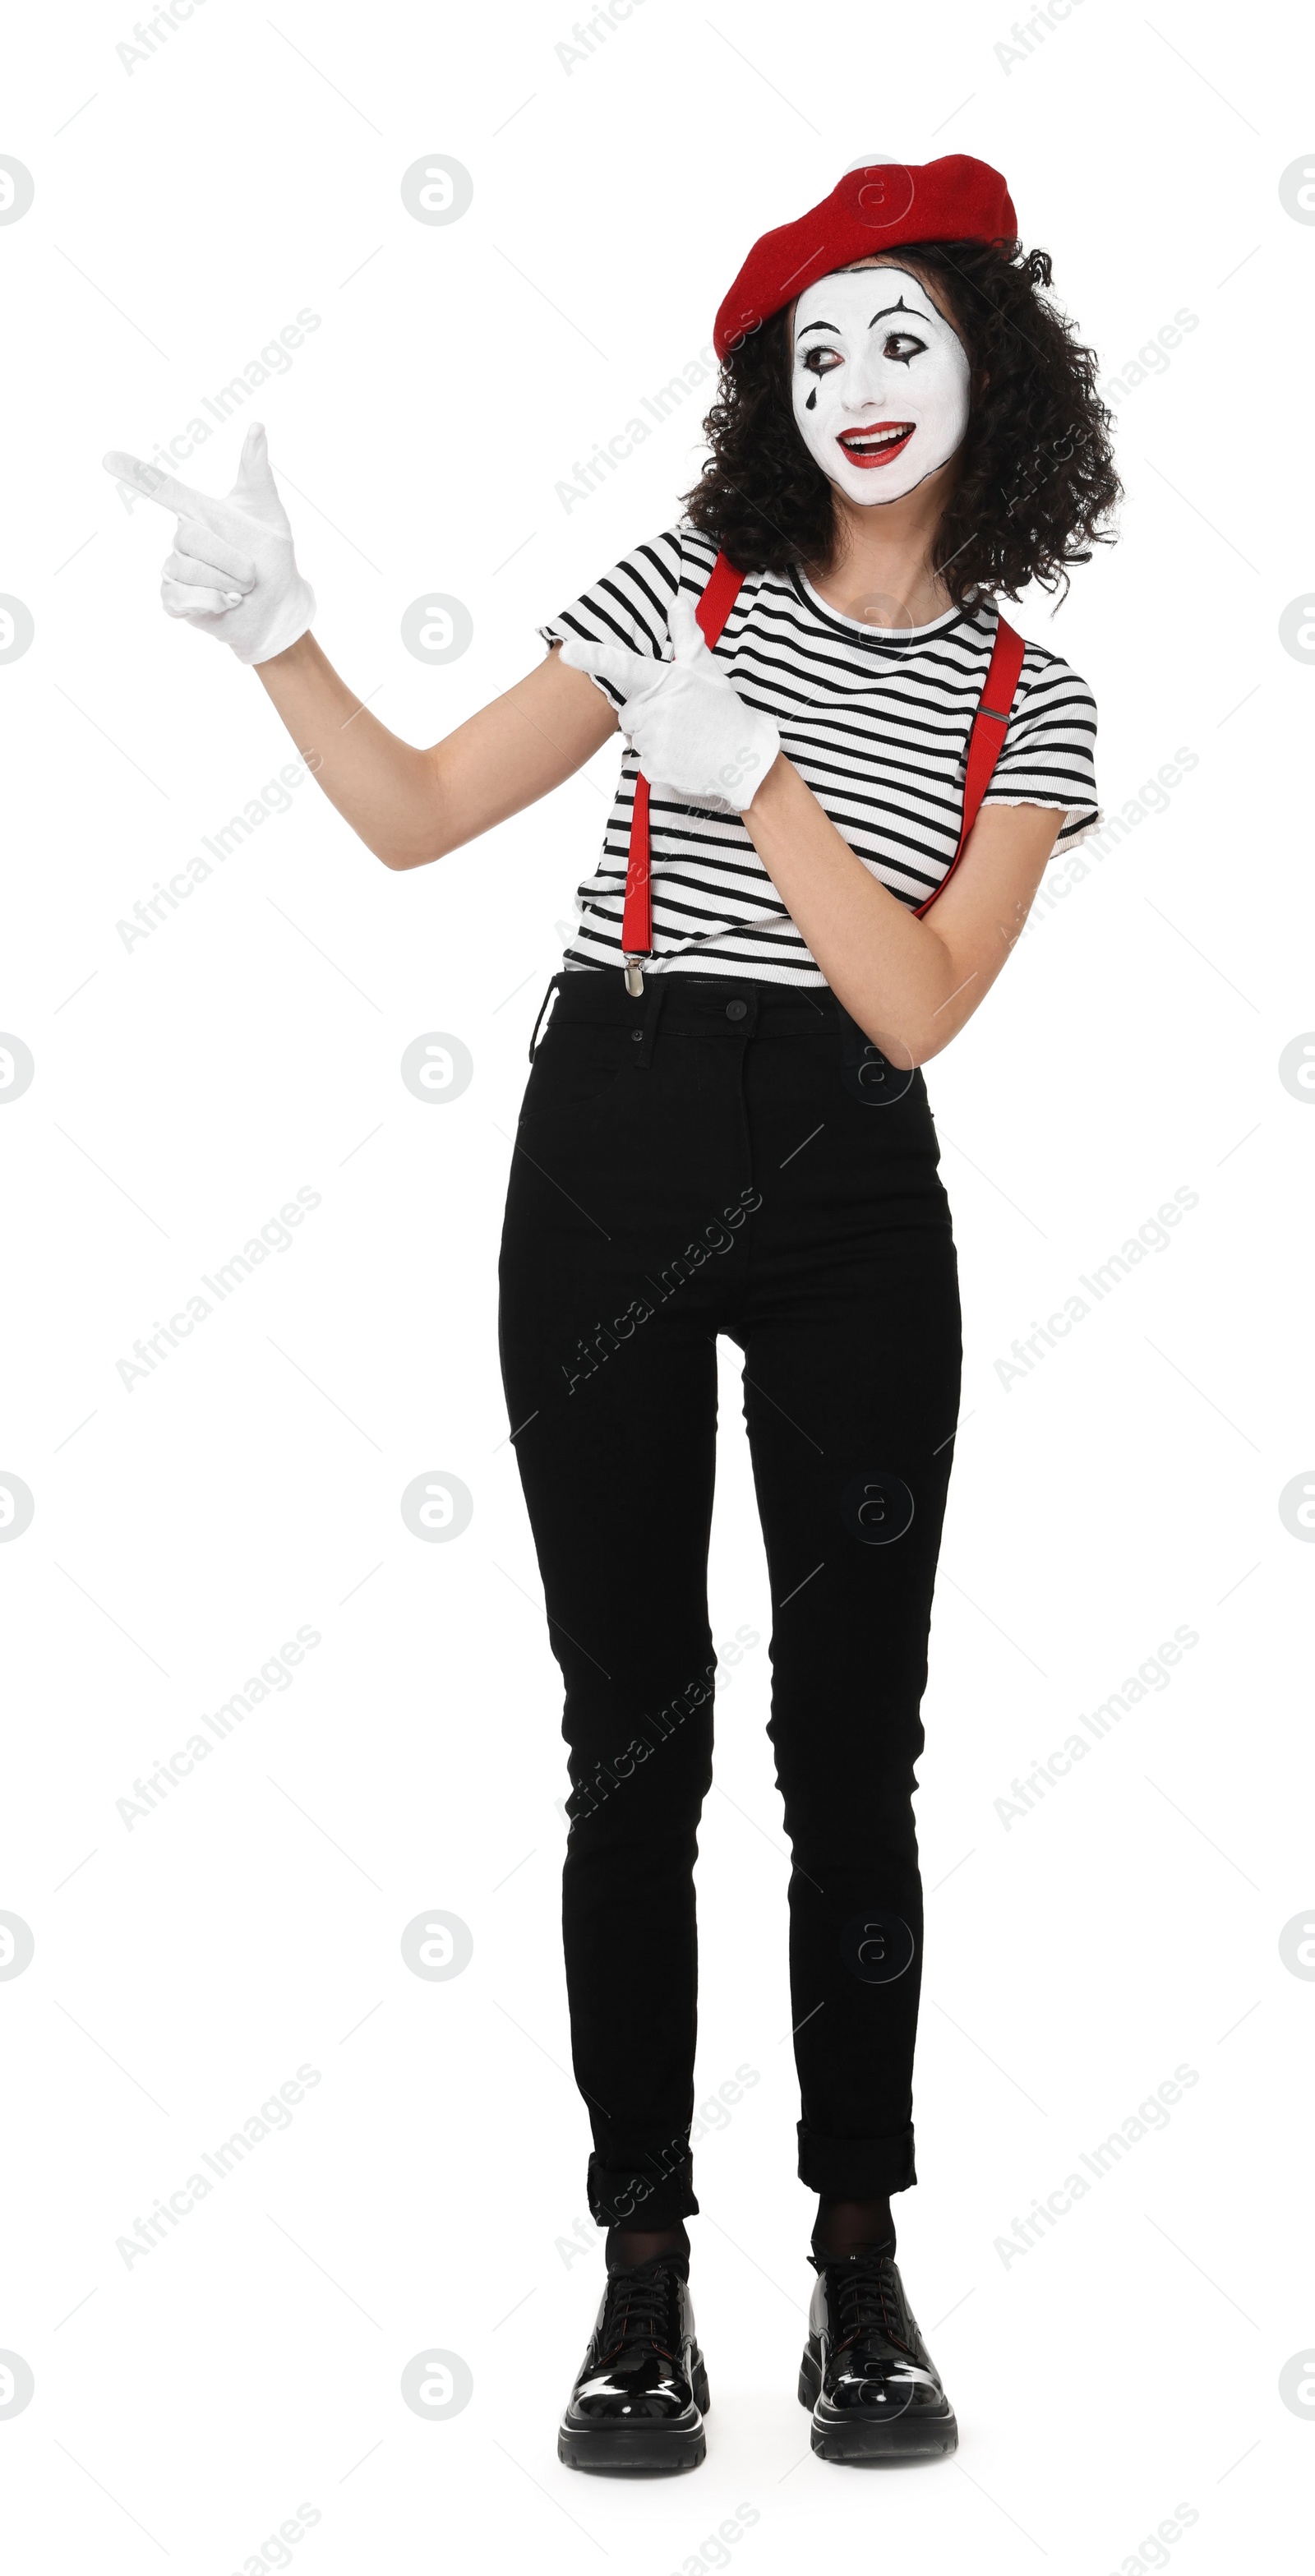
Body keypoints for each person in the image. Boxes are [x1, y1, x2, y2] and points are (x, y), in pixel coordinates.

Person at [104, 150, 1119, 2474]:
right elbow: (426, 811)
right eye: (818, 345)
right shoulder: (692, 587)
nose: (859, 381)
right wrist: (279, 638)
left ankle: (859, 2262)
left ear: (994, 365)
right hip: (618, 1135)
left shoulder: (1034, 708)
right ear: (776, 391)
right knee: (631, 1737)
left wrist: (753, 781)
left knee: (855, 1758)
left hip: (856, 1181)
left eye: (904, 333)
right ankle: (641, 2273)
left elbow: (925, 1003)